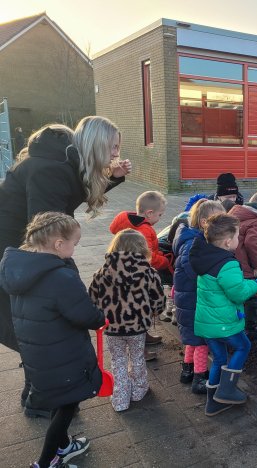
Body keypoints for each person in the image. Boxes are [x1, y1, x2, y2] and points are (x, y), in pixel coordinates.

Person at [0, 116, 130, 418]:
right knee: (35, 332)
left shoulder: (60, 163)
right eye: (112, 148)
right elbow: (47, 235)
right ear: (96, 146)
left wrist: (114, 177)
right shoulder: (52, 171)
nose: (114, 154)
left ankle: (40, 395)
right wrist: (67, 277)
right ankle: (42, 400)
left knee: (34, 329)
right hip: (11, 255)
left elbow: (68, 196)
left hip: (18, 251)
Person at [0, 212, 105, 468]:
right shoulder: (60, 277)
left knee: (59, 400)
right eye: (74, 244)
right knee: (67, 404)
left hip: (39, 354)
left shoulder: (19, 269)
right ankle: (46, 462)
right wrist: (102, 316)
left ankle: (63, 446)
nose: (75, 250)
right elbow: (85, 315)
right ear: (59, 244)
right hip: (63, 356)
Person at [189, 213, 257, 416]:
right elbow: (238, 293)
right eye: (238, 236)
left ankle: (213, 403)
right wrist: (255, 284)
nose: (239, 240)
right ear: (229, 242)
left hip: (206, 323)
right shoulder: (228, 263)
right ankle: (227, 390)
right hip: (223, 323)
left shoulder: (204, 257)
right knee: (243, 346)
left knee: (219, 358)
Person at [89, 229, 165, 412]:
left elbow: (91, 298)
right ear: (142, 248)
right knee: (138, 357)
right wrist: (155, 311)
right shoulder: (149, 272)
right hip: (137, 327)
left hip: (111, 327)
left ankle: (120, 398)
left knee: (118, 360)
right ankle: (139, 390)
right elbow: (158, 299)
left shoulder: (102, 272)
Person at [173, 199, 225, 393]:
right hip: (194, 302)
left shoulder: (191, 240)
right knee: (202, 341)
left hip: (188, 300)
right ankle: (199, 378)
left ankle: (187, 370)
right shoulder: (194, 244)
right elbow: (194, 270)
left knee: (193, 340)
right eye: (218, 220)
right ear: (205, 223)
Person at [109, 190, 173, 336]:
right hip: (138, 275)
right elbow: (148, 256)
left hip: (120, 269)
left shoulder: (127, 221)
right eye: (160, 215)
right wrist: (165, 260)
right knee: (141, 306)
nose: (160, 218)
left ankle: (140, 334)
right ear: (149, 213)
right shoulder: (144, 230)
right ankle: (141, 340)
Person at [228, 190, 257, 338]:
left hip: (232, 264)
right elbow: (252, 244)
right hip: (246, 267)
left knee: (235, 294)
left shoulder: (236, 213)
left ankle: (233, 324)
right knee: (252, 296)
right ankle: (250, 328)